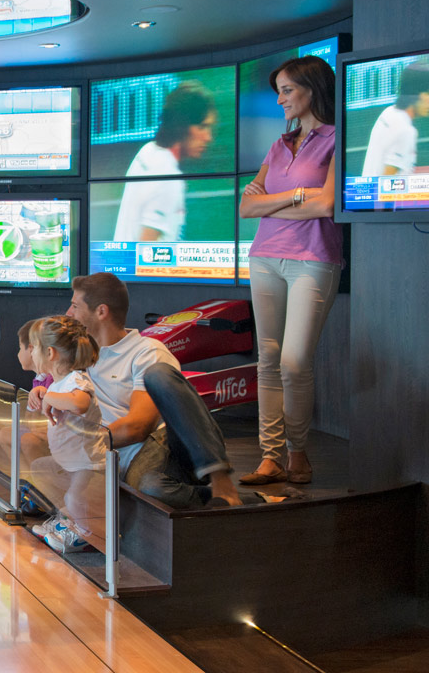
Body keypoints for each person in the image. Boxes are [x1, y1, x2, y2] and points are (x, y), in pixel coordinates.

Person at [238, 56, 342, 486]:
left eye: (287, 90)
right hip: (264, 258)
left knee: (295, 362)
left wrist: (277, 201)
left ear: (312, 90)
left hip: (313, 261)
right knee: (268, 360)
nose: (280, 99)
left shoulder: (338, 138)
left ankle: (298, 452)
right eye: (278, 90)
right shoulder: (279, 145)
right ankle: (271, 457)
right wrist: (299, 195)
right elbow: (246, 208)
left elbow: (327, 205)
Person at [66, 272, 244, 508]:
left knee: (158, 373)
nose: (69, 313)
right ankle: (241, 501)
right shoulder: (82, 355)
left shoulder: (147, 351)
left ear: (101, 311)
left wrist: (81, 443)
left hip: (163, 445)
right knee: (151, 487)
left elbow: (138, 427)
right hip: (118, 458)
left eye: (75, 306)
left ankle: (221, 480)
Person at [25, 316, 104, 555]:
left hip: (86, 462)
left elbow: (79, 403)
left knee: (75, 496)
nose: (31, 352)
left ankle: (87, 534)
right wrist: (42, 392)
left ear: (50, 353)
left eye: (34, 347)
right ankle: (69, 521)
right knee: (40, 470)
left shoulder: (77, 379)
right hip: (70, 460)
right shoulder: (58, 383)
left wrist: (49, 397)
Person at [113, 81, 217, 242]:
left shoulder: (147, 152)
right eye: (202, 127)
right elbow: (147, 250)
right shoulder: (169, 177)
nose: (208, 137)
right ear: (182, 126)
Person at [360, 63, 429, 176]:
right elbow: (388, 182)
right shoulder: (406, 131)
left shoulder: (388, 112)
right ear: (416, 94)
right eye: (427, 93)